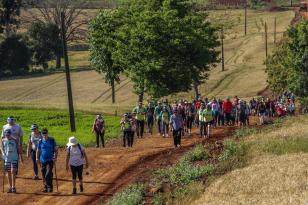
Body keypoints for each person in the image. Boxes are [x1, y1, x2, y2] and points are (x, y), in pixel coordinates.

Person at [36, 128, 58, 193]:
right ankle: (46, 187)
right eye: (43, 133)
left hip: (50, 159)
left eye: (45, 133)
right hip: (42, 160)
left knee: (48, 173)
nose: (44, 134)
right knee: (43, 173)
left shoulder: (52, 140)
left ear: (47, 133)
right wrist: (37, 158)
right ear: (42, 134)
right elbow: (38, 150)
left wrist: (55, 157)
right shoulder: (40, 141)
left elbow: (56, 150)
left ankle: (49, 187)